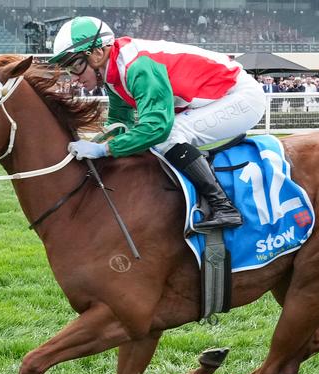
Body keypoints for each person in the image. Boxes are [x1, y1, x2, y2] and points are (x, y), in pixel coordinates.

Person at [49, 16, 266, 230]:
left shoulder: (137, 67)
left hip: (241, 97)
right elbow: (119, 121)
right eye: (68, 70)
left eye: (75, 66)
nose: (74, 77)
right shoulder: (112, 72)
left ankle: (224, 207)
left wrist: (104, 149)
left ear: (97, 53)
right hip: (216, 98)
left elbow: (156, 128)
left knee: (169, 135)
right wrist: (98, 141)